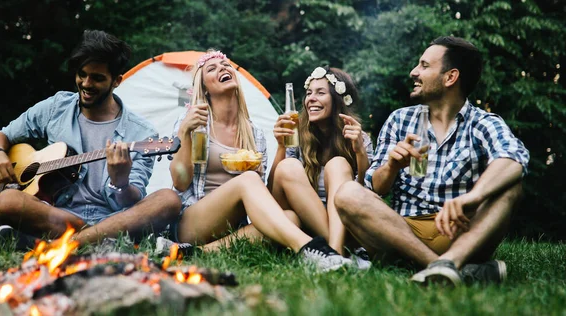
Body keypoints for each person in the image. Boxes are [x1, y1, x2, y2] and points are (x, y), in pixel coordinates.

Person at [334, 36, 529, 286]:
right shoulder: (400, 120)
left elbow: (514, 157)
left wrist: (473, 196)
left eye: (424, 66)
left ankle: (446, 262)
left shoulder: (483, 123)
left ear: (450, 77)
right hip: (402, 232)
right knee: (348, 192)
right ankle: (447, 269)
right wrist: (392, 166)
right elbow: (374, 187)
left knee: (511, 184)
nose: (414, 72)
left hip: (460, 233)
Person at [0, 30, 181, 247]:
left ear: (117, 81)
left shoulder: (142, 134)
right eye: (82, 74)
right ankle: (98, 241)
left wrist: (121, 182)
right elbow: (2, 135)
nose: (86, 84)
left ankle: (57, 245)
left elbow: (131, 202)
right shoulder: (56, 108)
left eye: (97, 78)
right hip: (57, 215)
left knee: (168, 200)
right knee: (6, 201)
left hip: (113, 219)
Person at [168, 50, 352, 272]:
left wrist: (281, 148)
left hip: (233, 225)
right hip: (194, 219)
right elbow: (179, 182)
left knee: (290, 219)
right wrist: (185, 132)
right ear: (204, 87)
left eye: (225, 65)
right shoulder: (194, 123)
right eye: (212, 68)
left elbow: (262, 194)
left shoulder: (254, 133)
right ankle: (310, 250)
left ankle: (194, 252)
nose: (223, 69)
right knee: (247, 180)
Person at [268, 67, 373, 268]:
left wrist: (360, 152)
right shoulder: (296, 136)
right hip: (304, 226)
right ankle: (337, 254)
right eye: (309, 93)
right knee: (288, 166)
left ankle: (332, 254)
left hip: (346, 225)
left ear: (337, 100)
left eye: (320, 93)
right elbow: (273, 192)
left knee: (338, 164)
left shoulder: (359, 138)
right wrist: (281, 146)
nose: (311, 99)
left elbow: (367, 194)